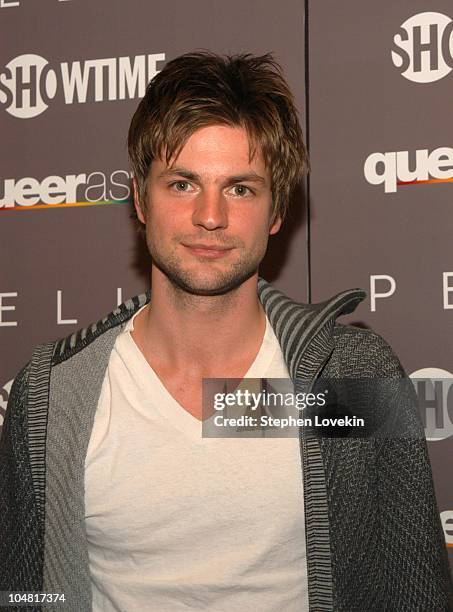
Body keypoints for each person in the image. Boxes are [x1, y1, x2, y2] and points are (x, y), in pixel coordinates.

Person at [1, 52, 452, 612]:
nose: (209, 216)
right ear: (140, 198)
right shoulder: (53, 394)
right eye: (183, 184)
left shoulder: (349, 374)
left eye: (240, 188)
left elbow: (415, 588)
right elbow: (21, 593)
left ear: (276, 211)